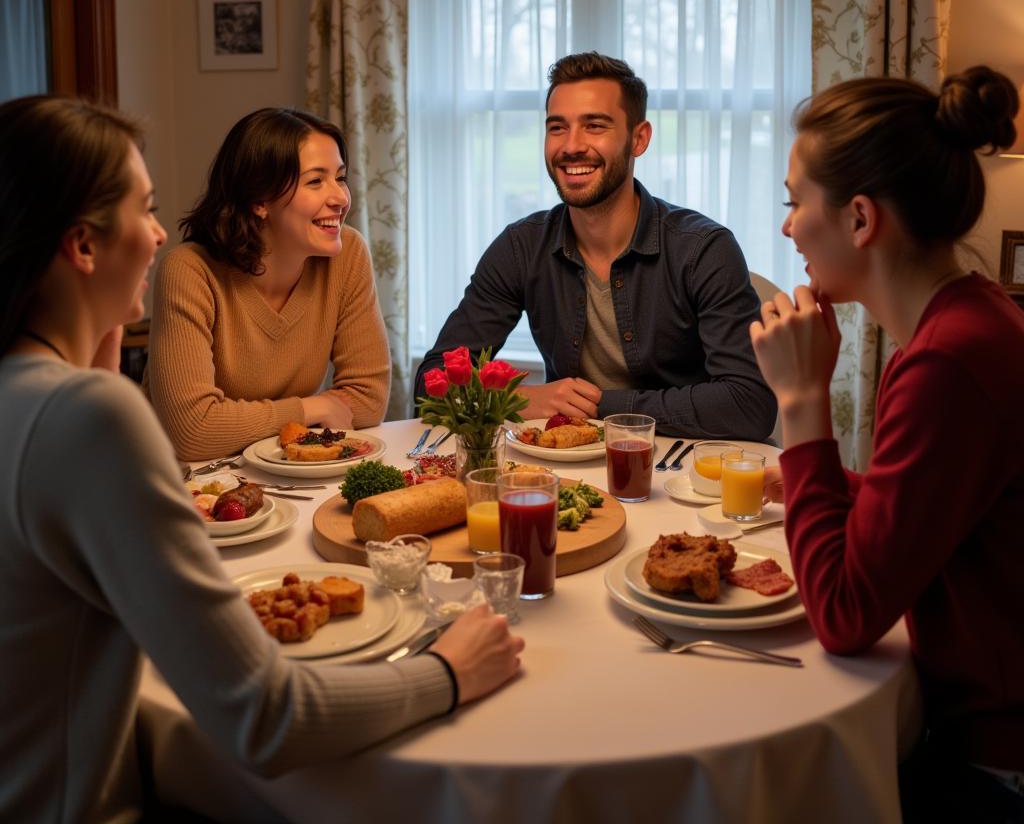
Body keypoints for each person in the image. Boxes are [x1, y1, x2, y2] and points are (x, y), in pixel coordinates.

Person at [0, 95, 524, 823]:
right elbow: (265, 717)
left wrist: (95, 342)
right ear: (84, 247)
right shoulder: (89, 418)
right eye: (143, 209)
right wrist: (449, 671)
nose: (158, 235)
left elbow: (367, 394)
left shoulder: (38, 397)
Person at [749, 67, 1024, 821]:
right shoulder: (963, 319)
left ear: (861, 219)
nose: (787, 228)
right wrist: (845, 488)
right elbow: (954, 508)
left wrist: (801, 404)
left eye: (794, 201)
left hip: (994, 762)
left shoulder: (947, 360)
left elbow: (842, 616)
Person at [415, 52, 777, 439]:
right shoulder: (520, 247)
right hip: (566, 468)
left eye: (594, 126)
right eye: (557, 128)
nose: (571, 146)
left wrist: (601, 406)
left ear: (638, 139)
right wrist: (521, 398)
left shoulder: (704, 249)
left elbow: (747, 404)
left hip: (684, 472)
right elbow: (430, 384)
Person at [146, 107, 390, 460]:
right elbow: (193, 431)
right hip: (189, 488)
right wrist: (312, 410)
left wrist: (249, 420)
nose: (340, 197)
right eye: (315, 181)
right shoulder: (189, 271)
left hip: (288, 475)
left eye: (340, 177)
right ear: (259, 200)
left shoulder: (347, 254)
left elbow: (367, 401)